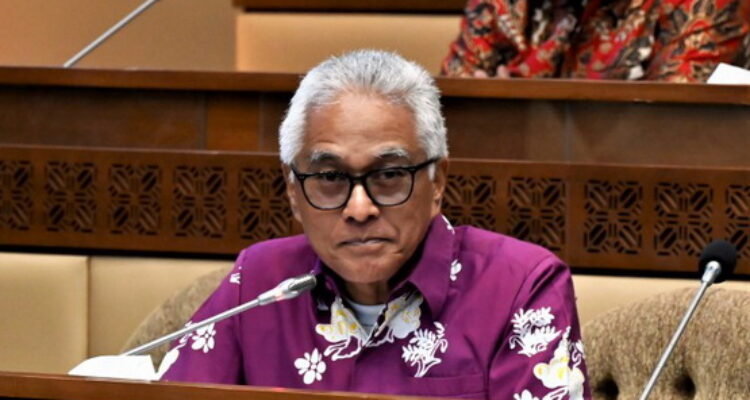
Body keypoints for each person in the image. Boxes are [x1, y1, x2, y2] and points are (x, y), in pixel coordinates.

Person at [160, 49, 591, 400]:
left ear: (437, 182)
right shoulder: (259, 282)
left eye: (388, 175)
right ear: (293, 190)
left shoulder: (520, 288)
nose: (360, 207)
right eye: (331, 178)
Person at [442, 0, 750, 82]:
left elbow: (670, 136)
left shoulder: (703, 4)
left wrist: (520, 123)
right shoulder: (500, 5)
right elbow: (449, 116)